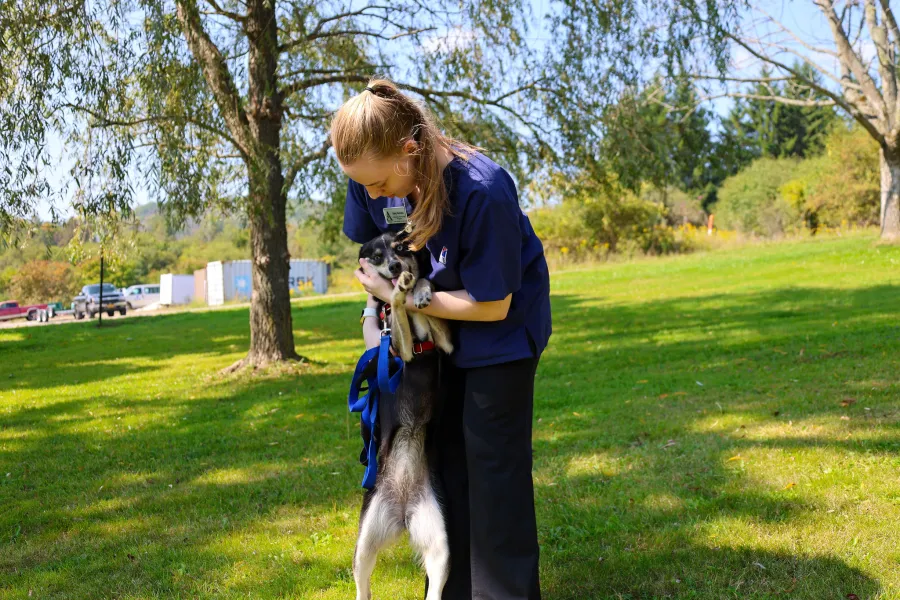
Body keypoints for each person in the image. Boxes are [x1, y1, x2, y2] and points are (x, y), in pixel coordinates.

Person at [331, 78, 552, 600]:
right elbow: (372, 251)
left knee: (493, 472)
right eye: (361, 185)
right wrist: (375, 314)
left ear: (410, 150)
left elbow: (492, 304)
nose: (372, 195)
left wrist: (400, 299)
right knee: (443, 464)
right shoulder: (373, 176)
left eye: (380, 183)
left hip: (499, 338)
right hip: (431, 341)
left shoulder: (483, 189)